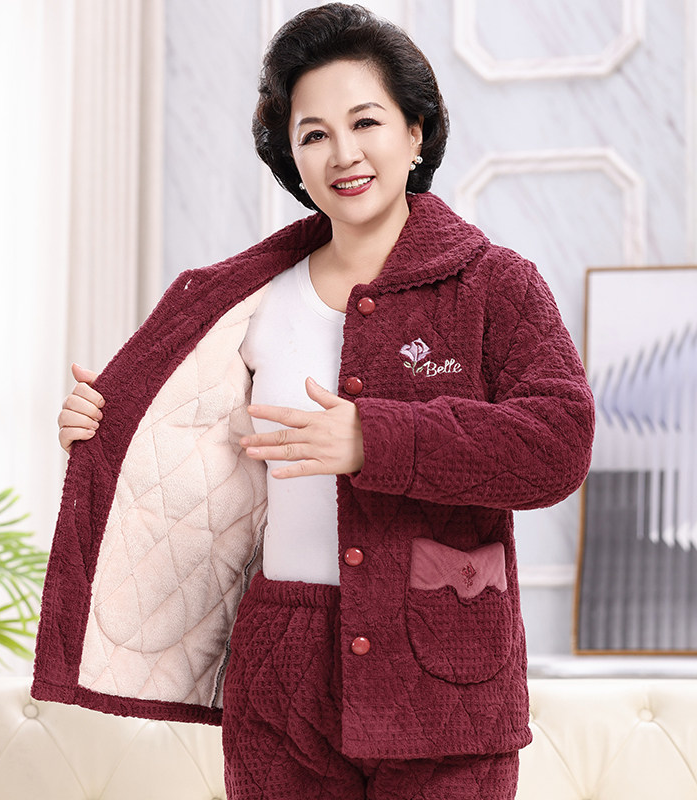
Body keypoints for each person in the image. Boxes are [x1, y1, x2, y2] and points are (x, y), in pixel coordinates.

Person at [32, 5, 594, 799]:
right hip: (282, 668)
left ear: (416, 131)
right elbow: (188, 445)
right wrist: (100, 426)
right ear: (290, 156)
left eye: (365, 122)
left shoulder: (494, 284)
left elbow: (558, 443)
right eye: (314, 134)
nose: (343, 154)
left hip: (445, 678)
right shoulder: (245, 298)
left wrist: (375, 440)